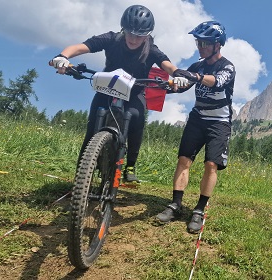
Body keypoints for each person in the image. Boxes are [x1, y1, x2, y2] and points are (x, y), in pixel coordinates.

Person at [50, 5, 188, 186]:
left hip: (135, 92)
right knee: (92, 130)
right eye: (130, 33)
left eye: (139, 35)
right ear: (123, 28)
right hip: (107, 88)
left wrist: (178, 75)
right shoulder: (111, 39)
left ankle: (130, 166)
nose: (133, 38)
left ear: (147, 34)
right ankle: (80, 181)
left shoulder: (151, 49)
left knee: (137, 117)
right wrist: (63, 56)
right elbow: (81, 47)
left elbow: (168, 65)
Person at [156, 21, 236, 233]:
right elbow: (180, 87)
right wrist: (166, 86)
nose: (200, 46)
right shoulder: (197, 66)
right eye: (198, 42)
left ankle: (199, 210)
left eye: (205, 43)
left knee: (211, 165)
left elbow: (216, 82)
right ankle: (175, 204)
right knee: (184, 160)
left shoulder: (227, 67)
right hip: (197, 118)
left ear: (217, 45)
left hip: (219, 122)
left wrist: (195, 77)